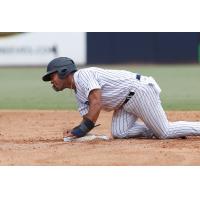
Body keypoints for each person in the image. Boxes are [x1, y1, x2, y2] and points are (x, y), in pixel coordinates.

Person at [42, 57, 200, 140]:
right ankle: (154, 129)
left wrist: (81, 130)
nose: (51, 80)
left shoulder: (83, 75)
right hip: (124, 104)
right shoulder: (77, 92)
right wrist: (77, 129)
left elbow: (96, 102)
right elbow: (88, 118)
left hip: (139, 91)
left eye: (52, 75)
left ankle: (165, 129)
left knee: (165, 132)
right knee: (120, 132)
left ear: (63, 71)